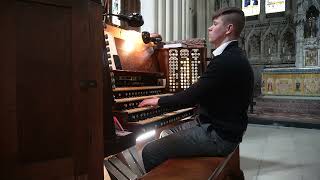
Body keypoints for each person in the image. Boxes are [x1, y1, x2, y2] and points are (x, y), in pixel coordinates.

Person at [138, 7, 254, 172]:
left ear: (229, 29)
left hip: (219, 136)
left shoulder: (225, 61)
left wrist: (157, 100)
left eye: (215, 24)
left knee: (150, 151)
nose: (210, 28)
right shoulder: (232, 56)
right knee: (165, 133)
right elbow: (205, 93)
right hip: (221, 128)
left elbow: (190, 96)